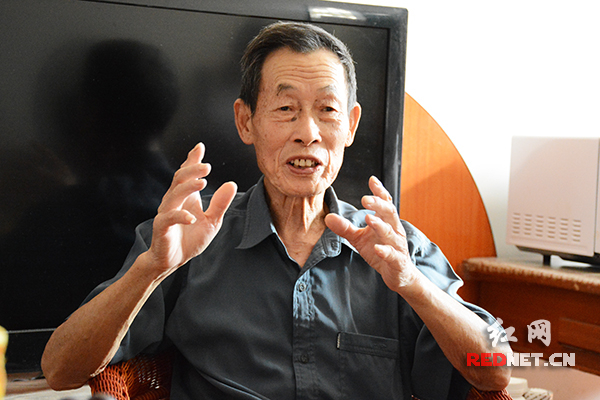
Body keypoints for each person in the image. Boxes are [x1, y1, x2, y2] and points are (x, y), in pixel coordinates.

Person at [42, 22, 511, 399]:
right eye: (286, 108)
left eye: (327, 110)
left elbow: (495, 371)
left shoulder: (396, 248)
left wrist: (412, 284)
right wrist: (152, 268)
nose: (307, 132)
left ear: (350, 125)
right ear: (245, 121)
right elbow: (60, 370)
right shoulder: (189, 238)